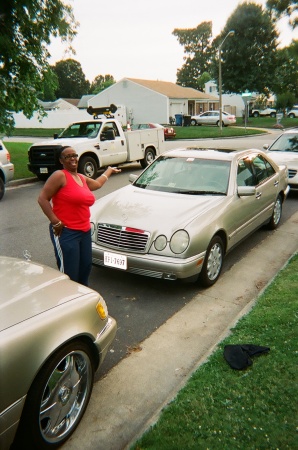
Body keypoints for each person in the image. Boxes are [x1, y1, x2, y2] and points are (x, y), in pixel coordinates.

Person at [38, 146, 121, 286]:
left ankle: (82, 300)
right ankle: (68, 302)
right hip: (66, 232)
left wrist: (109, 171)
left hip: (84, 231)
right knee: (70, 274)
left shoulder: (81, 178)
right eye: (67, 156)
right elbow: (42, 198)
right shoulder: (60, 175)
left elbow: (98, 183)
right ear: (61, 160)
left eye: (74, 155)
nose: (72, 158)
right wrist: (55, 221)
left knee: (85, 269)